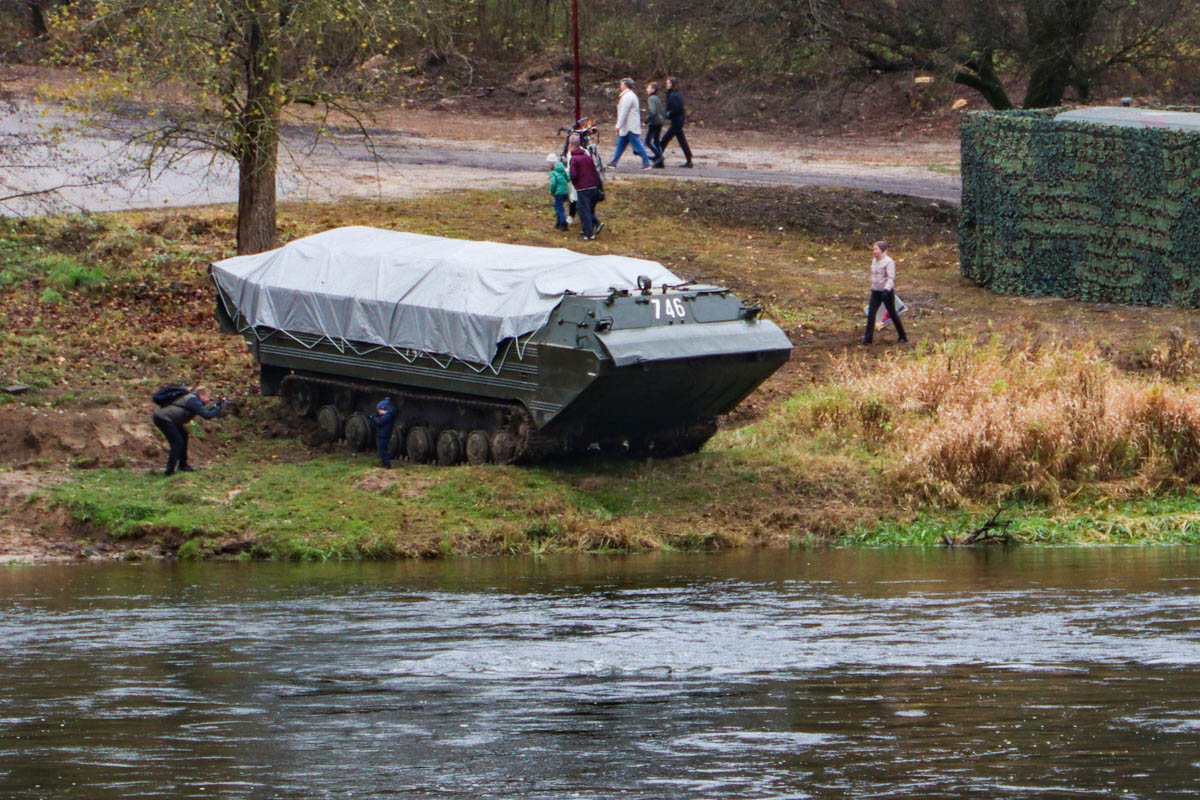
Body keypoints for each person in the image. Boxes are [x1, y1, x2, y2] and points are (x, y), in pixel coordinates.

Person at [152, 386, 226, 476]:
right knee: (177, 442)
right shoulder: (193, 401)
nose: (209, 399)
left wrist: (218, 405)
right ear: (201, 395)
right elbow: (207, 415)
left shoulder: (193, 399)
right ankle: (169, 471)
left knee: (184, 436)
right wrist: (219, 407)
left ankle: (183, 465)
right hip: (163, 418)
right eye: (207, 396)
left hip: (171, 419)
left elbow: (205, 411)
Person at [861, 240, 908, 345]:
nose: (873, 251)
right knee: (871, 314)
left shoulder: (889, 261)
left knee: (892, 313)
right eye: (873, 249)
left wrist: (886, 289)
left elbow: (891, 278)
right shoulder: (874, 260)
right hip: (875, 291)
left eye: (876, 249)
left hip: (886, 292)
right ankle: (867, 340)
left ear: (882, 250)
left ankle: (902, 336)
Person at [607, 78, 652, 170]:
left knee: (637, 144)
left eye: (622, 85)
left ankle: (646, 162)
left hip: (630, 126)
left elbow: (624, 112)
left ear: (626, 86)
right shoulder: (629, 95)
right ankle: (614, 161)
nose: (620, 86)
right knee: (621, 144)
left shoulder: (628, 97)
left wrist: (618, 125)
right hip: (627, 126)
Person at [568, 133, 604, 240]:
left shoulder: (574, 159)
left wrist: (575, 184)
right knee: (588, 209)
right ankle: (588, 229)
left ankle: (589, 234)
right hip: (592, 187)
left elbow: (573, 175)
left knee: (583, 210)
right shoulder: (587, 156)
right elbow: (594, 171)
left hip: (583, 188)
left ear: (572, 146)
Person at [660, 76, 694, 168]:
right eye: (667, 83)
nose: (667, 85)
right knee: (681, 140)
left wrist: (669, 114)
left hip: (676, 121)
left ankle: (658, 158)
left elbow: (676, 108)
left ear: (673, 84)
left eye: (669, 83)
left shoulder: (674, 95)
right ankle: (689, 159)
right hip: (678, 120)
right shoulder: (675, 94)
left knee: (664, 139)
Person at [645, 81, 666, 168]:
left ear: (653, 89)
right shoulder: (657, 98)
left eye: (648, 88)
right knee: (656, 141)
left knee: (648, 141)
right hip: (660, 121)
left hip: (654, 122)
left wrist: (647, 120)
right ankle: (659, 161)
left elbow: (652, 111)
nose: (647, 89)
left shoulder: (651, 99)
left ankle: (660, 157)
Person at [548, 154, 570, 231]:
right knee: (559, 206)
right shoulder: (562, 170)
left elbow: (553, 183)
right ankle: (558, 222)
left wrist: (551, 191)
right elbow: (568, 178)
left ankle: (563, 223)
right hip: (565, 191)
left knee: (559, 208)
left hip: (558, 193)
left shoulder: (553, 173)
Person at [375, 397, 397, 468]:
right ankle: (385, 463)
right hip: (384, 434)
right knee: (382, 449)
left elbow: (380, 422)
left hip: (384, 434)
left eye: (379, 410)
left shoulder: (387, 416)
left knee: (383, 449)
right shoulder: (388, 414)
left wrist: (374, 418)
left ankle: (386, 464)